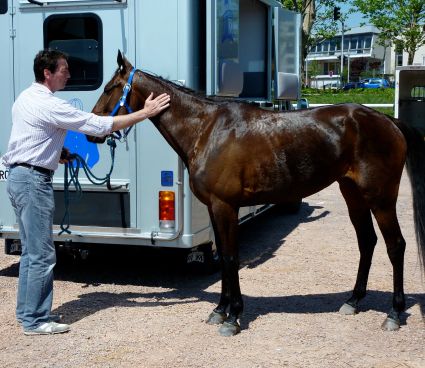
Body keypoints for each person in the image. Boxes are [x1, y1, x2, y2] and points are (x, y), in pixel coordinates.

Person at [1, 50, 170, 335]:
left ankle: (26, 314)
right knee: (42, 254)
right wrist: (145, 113)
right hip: (33, 181)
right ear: (48, 73)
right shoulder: (51, 104)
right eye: (64, 69)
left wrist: (57, 153)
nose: (68, 74)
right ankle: (36, 321)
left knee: (31, 252)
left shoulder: (25, 98)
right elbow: (100, 125)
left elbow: (33, 136)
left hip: (20, 177)